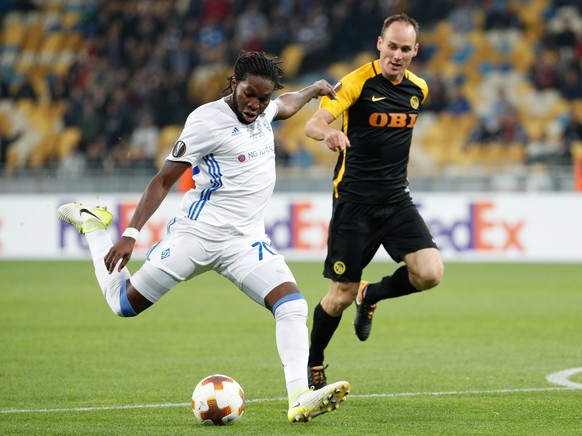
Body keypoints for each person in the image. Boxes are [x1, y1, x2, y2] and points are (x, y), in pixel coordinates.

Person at [58, 51, 350, 423]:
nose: (256, 105)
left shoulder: (263, 112)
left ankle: (299, 397)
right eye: (250, 95)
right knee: (123, 305)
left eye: (262, 98)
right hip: (196, 237)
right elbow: (162, 180)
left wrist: (312, 90)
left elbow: (285, 105)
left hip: (245, 242)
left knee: (292, 305)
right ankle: (93, 225)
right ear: (234, 83)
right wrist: (130, 233)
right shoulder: (206, 121)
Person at [303, 14, 444, 389]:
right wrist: (329, 134)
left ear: (416, 51)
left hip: (396, 200)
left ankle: (372, 294)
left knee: (430, 273)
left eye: (405, 49)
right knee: (339, 296)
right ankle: (314, 365)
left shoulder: (419, 89)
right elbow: (312, 124)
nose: (397, 55)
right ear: (379, 43)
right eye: (391, 46)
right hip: (353, 203)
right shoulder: (355, 82)